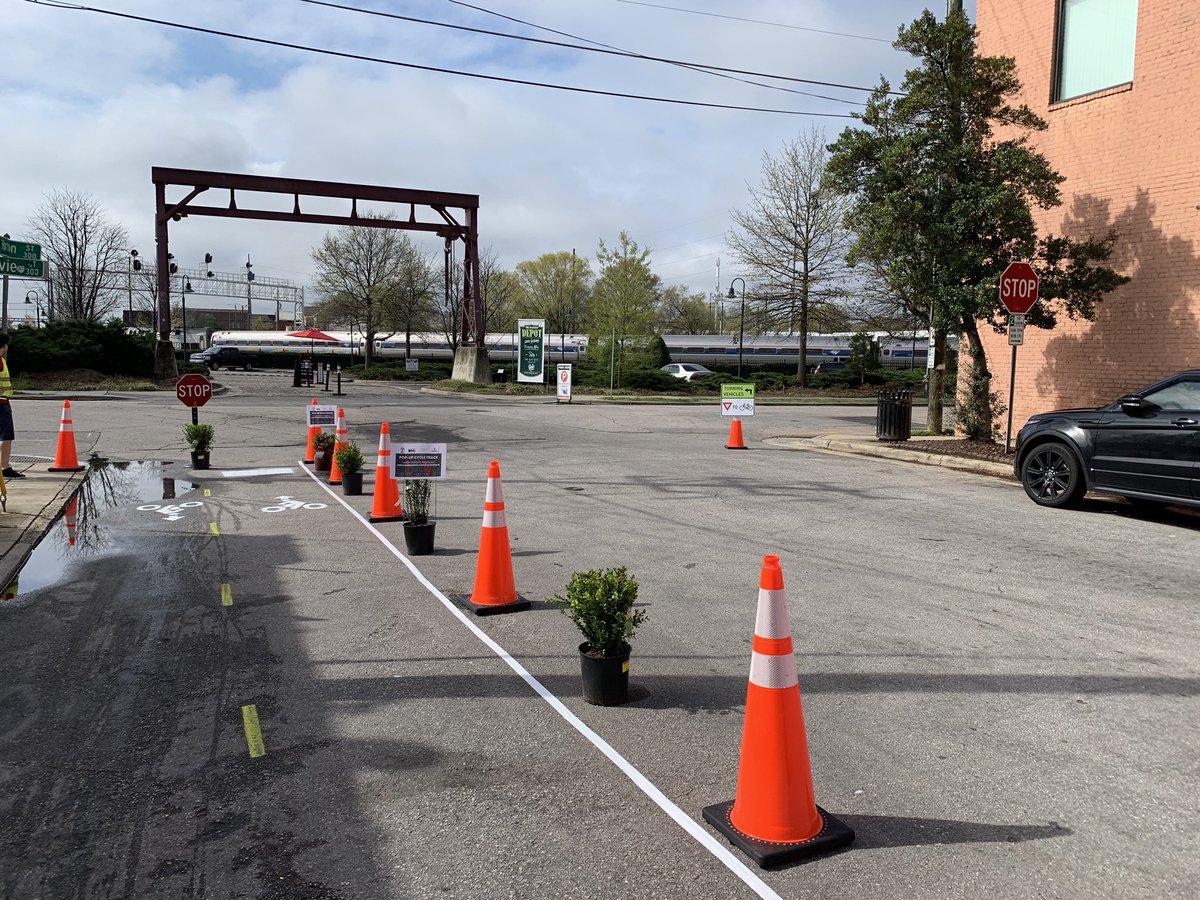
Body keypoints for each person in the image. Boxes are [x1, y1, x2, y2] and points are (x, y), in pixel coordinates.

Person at [0, 334, 22, 479]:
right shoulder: (0, 361)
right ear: (4, 346)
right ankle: (5, 467)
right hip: (1, 403)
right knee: (6, 436)